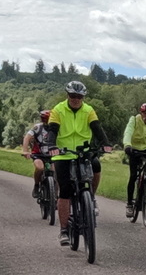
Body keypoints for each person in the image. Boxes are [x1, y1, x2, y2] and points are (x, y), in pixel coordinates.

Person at [46, 80, 111, 246]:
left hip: (83, 151)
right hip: (63, 154)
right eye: (72, 96)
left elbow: (97, 127)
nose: (75, 99)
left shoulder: (88, 110)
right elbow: (52, 130)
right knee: (65, 190)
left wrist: (105, 143)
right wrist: (52, 146)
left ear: (83, 97)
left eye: (79, 96)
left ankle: (91, 197)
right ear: (67, 95)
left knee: (96, 166)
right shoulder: (58, 110)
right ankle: (64, 230)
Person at [20, 110, 57, 198]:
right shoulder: (37, 127)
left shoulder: (57, 128)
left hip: (52, 154)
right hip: (38, 154)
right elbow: (27, 138)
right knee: (39, 168)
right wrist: (25, 150)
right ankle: (36, 185)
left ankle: (55, 195)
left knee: (56, 172)